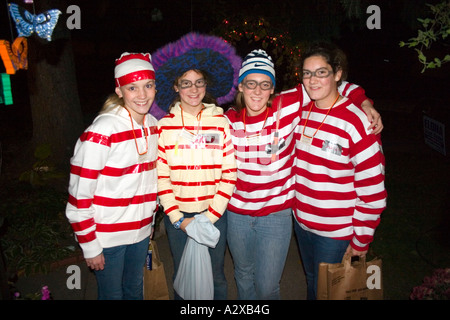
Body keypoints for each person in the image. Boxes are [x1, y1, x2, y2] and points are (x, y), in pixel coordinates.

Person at [224, 49, 383, 300]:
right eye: (251, 83)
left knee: (274, 287)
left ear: (273, 89)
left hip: (283, 216)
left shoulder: (287, 106)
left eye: (265, 84)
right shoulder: (228, 121)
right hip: (249, 215)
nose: (257, 91)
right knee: (245, 274)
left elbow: (335, 86)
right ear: (241, 86)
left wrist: (363, 101)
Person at [293, 42, 387, 300]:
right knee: (313, 281)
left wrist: (360, 241)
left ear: (337, 74)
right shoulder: (301, 113)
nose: (312, 80)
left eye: (321, 72)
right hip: (302, 223)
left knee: (329, 292)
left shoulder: (357, 121)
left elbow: (373, 191)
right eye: (307, 73)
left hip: (334, 232)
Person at [152, 33, 239, 300]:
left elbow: (229, 173)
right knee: (184, 276)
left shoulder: (220, 122)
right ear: (176, 87)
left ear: (206, 86)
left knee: (216, 276)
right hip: (179, 218)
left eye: (199, 82)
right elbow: (161, 177)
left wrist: (209, 217)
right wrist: (180, 220)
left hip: (214, 215)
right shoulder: (164, 126)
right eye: (186, 83)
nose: (193, 89)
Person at [65, 52, 159, 300]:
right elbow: (78, 196)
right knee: (112, 296)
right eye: (132, 87)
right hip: (107, 236)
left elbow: (151, 182)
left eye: (148, 85)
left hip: (139, 233)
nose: (142, 95)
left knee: (135, 290)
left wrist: (149, 222)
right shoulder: (102, 131)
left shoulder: (153, 125)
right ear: (119, 91)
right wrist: (90, 245)